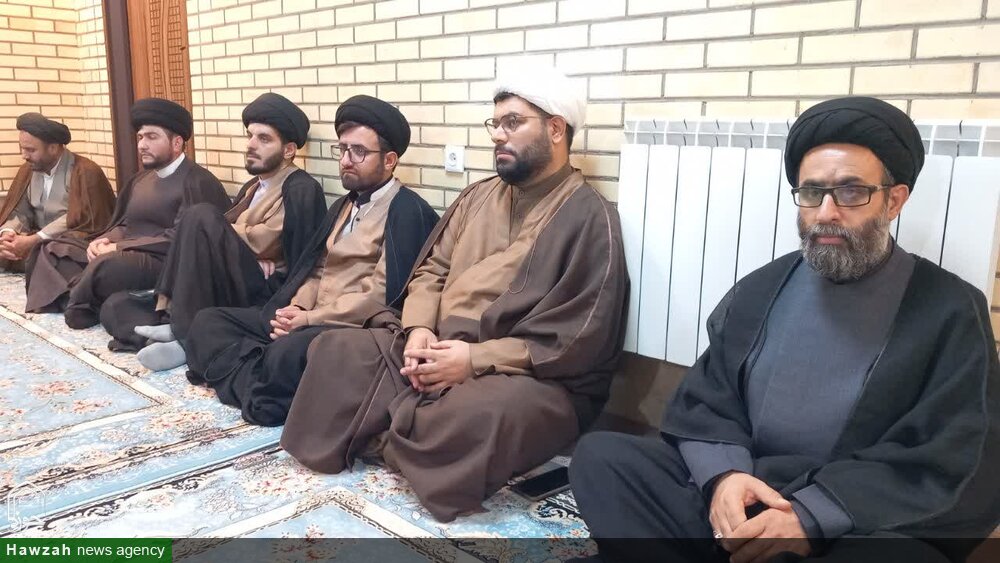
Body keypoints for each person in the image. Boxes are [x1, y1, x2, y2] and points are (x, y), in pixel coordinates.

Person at [568, 96, 1000, 563]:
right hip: (749, 487)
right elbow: (709, 400)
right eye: (812, 192)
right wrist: (724, 478)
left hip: (844, 522)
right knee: (603, 459)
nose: (827, 212)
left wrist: (811, 516)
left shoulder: (949, 308)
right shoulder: (763, 289)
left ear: (893, 200)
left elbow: (953, 454)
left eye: (851, 192)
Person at [279, 64, 630, 523]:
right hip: (434, 344)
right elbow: (432, 271)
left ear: (556, 129)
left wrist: (472, 360)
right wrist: (419, 330)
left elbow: (578, 338)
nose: (498, 135)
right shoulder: (476, 197)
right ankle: (410, 434)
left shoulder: (590, 217)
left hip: (521, 374)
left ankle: (385, 427)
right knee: (334, 350)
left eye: (513, 122)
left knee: (482, 415)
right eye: (495, 123)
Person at [183, 95, 439, 426]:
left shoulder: (406, 212)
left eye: (358, 151)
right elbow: (316, 269)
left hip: (349, 326)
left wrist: (310, 319)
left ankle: (253, 376)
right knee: (208, 323)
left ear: (389, 160)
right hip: (311, 315)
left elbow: (380, 296)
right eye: (342, 149)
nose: (345, 160)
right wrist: (297, 308)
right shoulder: (343, 205)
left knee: (285, 353)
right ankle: (262, 378)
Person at [96, 93, 326, 369]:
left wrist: (234, 241)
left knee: (200, 215)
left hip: (265, 291)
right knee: (115, 305)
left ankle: (183, 335)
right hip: (234, 276)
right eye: (250, 136)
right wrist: (241, 248)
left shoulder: (301, 188)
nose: (251, 145)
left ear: (288, 150)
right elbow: (236, 238)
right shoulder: (253, 186)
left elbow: (267, 240)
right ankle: (174, 332)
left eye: (264, 139)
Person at [24, 98, 230, 328]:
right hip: (126, 253)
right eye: (140, 137)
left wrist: (118, 248)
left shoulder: (197, 182)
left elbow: (181, 239)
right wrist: (104, 240)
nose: (142, 145)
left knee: (107, 265)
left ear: (177, 143)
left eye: (152, 137)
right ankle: (84, 295)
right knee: (53, 249)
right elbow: (124, 223)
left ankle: (77, 298)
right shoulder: (140, 180)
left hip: (164, 262)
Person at [0, 113, 115, 272]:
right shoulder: (28, 170)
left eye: (30, 150)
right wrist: (9, 234)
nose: (24, 156)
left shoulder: (85, 171)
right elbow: (20, 211)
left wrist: (37, 239)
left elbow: (84, 218)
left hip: (72, 239)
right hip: (37, 237)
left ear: (53, 148)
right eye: (22, 149)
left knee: (58, 252)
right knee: (8, 248)